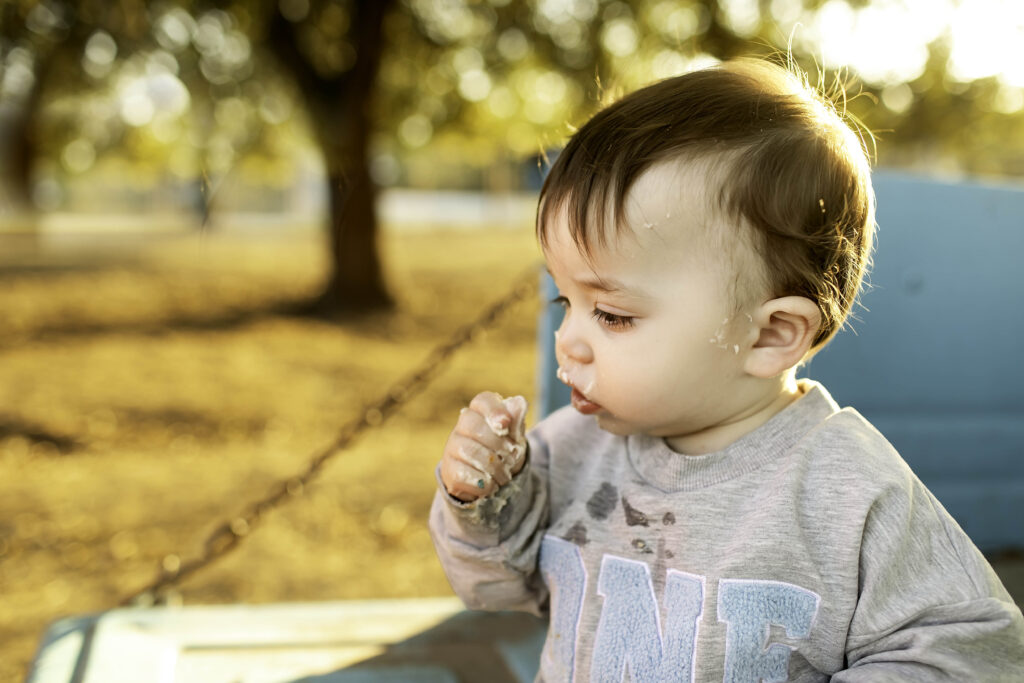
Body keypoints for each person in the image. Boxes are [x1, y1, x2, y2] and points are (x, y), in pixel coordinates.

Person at [428, 57, 1024, 681]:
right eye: (564, 301)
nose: (568, 341)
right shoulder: (569, 451)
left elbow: (973, 650)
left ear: (769, 335)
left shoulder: (850, 492)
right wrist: (486, 501)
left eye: (611, 314)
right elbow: (491, 588)